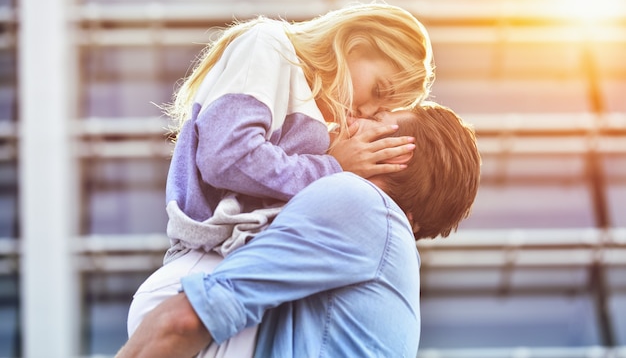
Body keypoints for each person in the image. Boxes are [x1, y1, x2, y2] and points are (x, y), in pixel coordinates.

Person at [125, 1, 436, 355]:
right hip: (204, 263)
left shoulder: (320, 118)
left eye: (379, 109)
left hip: (226, 265)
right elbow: (227, 155)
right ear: (357, 43)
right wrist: (334, 169)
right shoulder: (270, 46)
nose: (364, 109)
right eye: (378, 90)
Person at [116, 102, 482, 358]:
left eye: (378, 117)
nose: (352, 118)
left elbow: (184, 321)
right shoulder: (381, 247)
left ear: (396, 152)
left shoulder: (361, 200)